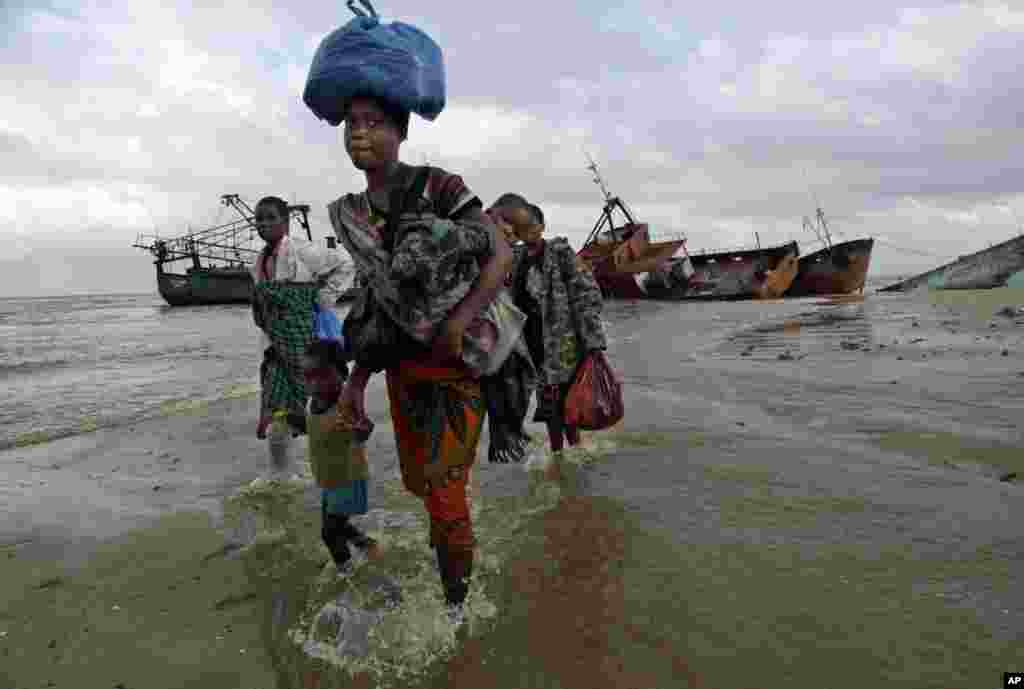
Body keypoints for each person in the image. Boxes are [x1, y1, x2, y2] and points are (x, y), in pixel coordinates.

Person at [326, 94, 513, 614]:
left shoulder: (440, 185)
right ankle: (451, 562)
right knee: (423, 485)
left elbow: (498, 251)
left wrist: (460, 317)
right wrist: (355, 384)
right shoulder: (354, 214)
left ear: (401, 132)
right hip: (404, 370)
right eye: (351, 124)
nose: (359, 133)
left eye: (374, 123)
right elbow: (377, 302)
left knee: (447, 490)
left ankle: (456, 615)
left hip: (459, 364)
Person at [506, 200, 607, 454]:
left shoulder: (560, 252)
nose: (525, 229)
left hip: (564, 343)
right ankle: (559, 455)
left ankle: (574, 451)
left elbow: (587, 294)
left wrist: (594, 342)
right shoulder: (515, 258)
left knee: (568, 401)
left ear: (541, 225)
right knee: (548, 405)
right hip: (533, 342)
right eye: (520, 225)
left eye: (530, 223)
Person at [250, 196, 349, 441]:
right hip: (275, 342)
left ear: (285, 222)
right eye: (259, 219)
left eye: (271, 218)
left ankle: (326, 455)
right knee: (277, 407)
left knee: (315, 398)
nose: (264, 224)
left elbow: (345, 264)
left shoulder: (302, 250)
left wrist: (324, 298)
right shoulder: (258, 262)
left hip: (304, 338)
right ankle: (282, 472)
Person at [302, 339, 379, 571]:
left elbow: (365, 426)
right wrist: (295, 423)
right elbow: (316, 425)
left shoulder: (345, 404)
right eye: (308, 375)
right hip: (329, 479)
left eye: (322, 374)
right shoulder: (313, 401)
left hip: (349, 480)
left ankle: (347, 574)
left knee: (329, 532)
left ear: (343, 372)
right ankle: (366, 545)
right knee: (337, 525)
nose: (314, 382)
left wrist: (361, 430)